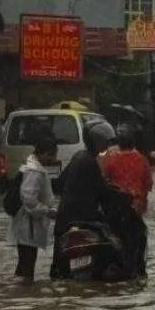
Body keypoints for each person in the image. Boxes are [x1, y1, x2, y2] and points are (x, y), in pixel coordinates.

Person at [50, 120, 116, 279]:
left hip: (64, 220)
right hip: (85, 218)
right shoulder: (89, 162)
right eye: (105, 142)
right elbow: (103, 192)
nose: (107, 146)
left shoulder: (78, 156)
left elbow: (59, 184)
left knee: (58, 267)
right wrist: (119, 196)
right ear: (97, 141)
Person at [99, 125, 152, 276]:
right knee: (139, 246)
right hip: (134, 211)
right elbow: (148, 185)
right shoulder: (142, 160)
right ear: (134, 142)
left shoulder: (110, 160)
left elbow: (103, 181)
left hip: (114, 211)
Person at [8, 136, 58, 285]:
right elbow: (29, 199)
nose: (53, 159)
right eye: (52, 155)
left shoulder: (31, 166)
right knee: (27, 265)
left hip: (27, 224)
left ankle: (22, 294)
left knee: (25, 263)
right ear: (43, 153)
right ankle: (24, 293)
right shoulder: (35, 171)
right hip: (28, 225)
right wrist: (47, 211)